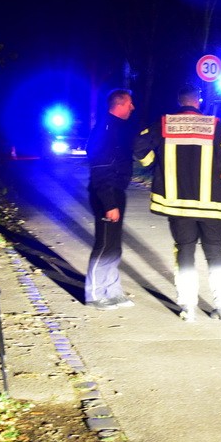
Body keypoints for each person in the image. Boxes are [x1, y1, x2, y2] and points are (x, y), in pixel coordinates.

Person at [133, 83, 221, 321]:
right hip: (211, 204)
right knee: (216, 252)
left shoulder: (165, 124)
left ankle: (188, 307)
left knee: (184, 251)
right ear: (198, 101)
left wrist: (154, 162)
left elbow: (140, 148)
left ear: (179, 100)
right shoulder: (214, 126)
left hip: (178, 204)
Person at [84, 88, 136, 311]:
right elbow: (101, 169)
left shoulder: (117, 128)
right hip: (107, 193)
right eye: (129, 104)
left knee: (114, 245)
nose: (133, 107)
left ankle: (112, 291)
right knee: (105, 244)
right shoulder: (105, 130)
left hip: (116, 192)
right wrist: (109, 203)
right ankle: (94, 293)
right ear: (120, 104)